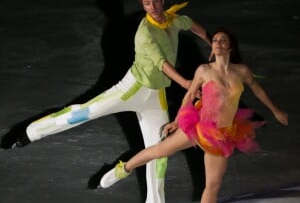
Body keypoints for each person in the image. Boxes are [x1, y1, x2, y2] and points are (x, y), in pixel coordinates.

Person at [1, 0, 211, 203]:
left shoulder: (174, 20)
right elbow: (162, 64)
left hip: (156, 97)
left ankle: (145, 193)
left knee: (159, 153)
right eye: (147, 3)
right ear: (143, 5)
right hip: (132, 90)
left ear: (163, 0)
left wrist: (212, 44)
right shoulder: (144, 32)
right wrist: (187, 83)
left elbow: (193, 26)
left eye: (156, 1)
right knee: (83, 113)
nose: (153, 7)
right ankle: (32, 132)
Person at [99, 28, 288, 203]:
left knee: (213, 185)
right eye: (215, 40)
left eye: (223, 40)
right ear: (212, 46)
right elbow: (189, 95)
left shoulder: (242, 71)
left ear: (230, 46)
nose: (218, 43)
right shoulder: (204, 70)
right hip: (201, 125)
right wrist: (177, 120)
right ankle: (123, 169)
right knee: (160, 151)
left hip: (223, 134)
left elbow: (258, 91)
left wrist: (276, 110)